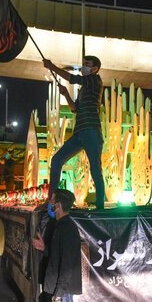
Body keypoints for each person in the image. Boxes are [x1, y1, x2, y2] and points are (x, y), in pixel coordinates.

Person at [43, 56, 105, 210]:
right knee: (56, 160)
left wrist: (52, 67)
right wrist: (65, 94)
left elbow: (71, 78)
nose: (83, 66)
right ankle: (51, 200)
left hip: (91, 130)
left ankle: (100, 206)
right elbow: (74, 108)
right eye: (83, 64)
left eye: (87, 64)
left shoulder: (95, 80)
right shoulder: (85, 88)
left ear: (95, 68)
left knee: (95, 168)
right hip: (79, 133)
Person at [32, 189, 83, 302]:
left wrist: (58, 298)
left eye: (52, 202)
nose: (50, 205)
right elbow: (57, 256)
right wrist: (44, 247)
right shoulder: (60, 227)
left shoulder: (67, 228)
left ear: (58, 206)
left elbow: (67, 267)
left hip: (62, 294)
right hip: (56, 291)